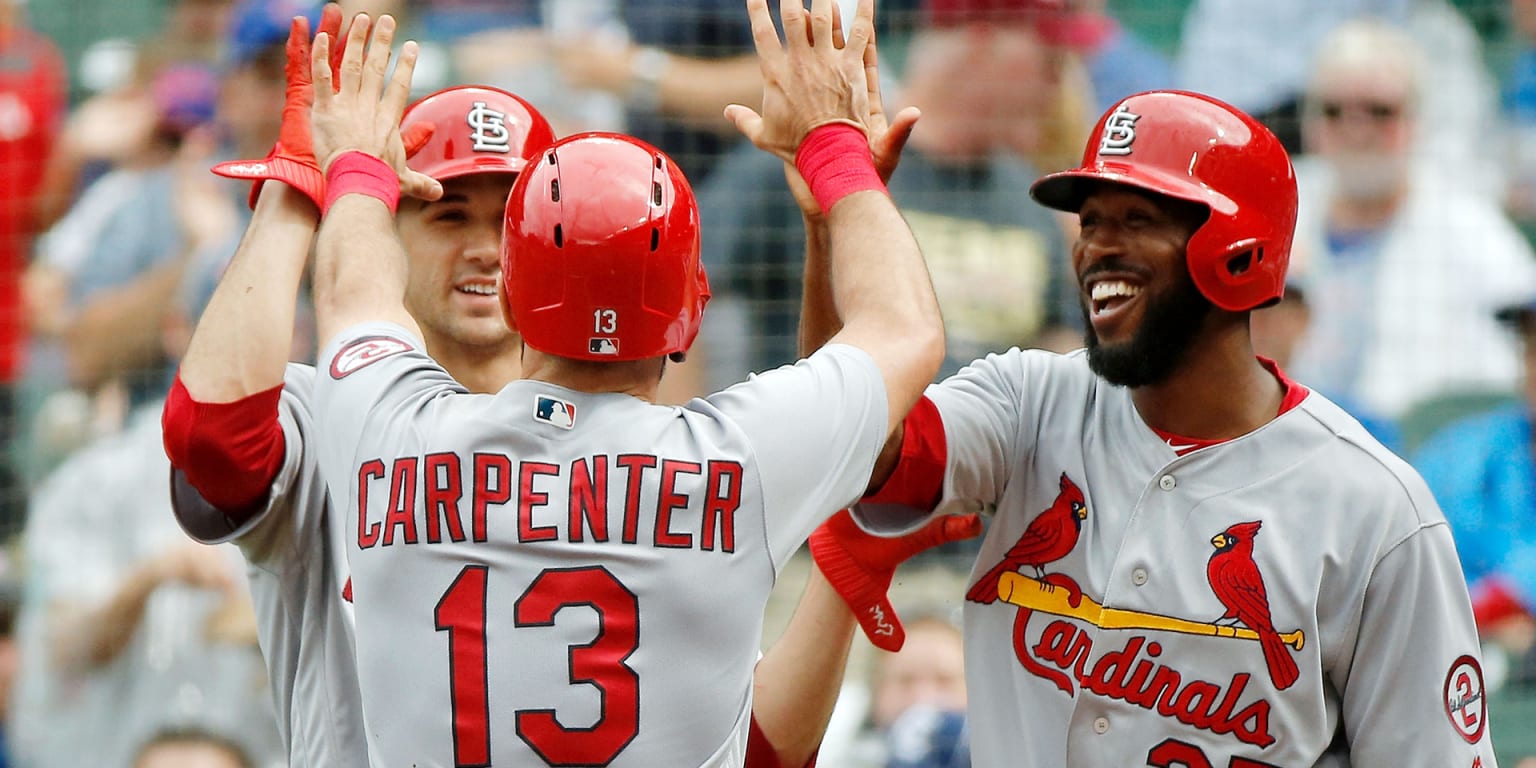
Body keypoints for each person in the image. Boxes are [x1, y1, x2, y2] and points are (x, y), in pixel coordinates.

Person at [163, 4, 967, 767]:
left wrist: (338, 176)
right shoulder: (712, 464)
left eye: (504, 215)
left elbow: (750, 746)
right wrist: (836, 161)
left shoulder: (367, 407)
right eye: (447, 213)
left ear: (520, 272)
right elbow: (215, 451)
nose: (482, 247)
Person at [817, 89, 1497, 765]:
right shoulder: (1027, 402)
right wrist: (834, 213)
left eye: (1137, 219)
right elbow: (850, 445)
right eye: (1090, 222)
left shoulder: (1376, 511)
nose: (1096, 249)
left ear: (1239, 251)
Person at [1285, 19, 1536, 430]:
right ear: (1310, 122)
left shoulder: (1473, 230)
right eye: (1335, 111)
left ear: (1416, 120)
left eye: (1379, 112)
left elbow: (1511, 377)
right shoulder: (1275, 204)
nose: (1357, 129)